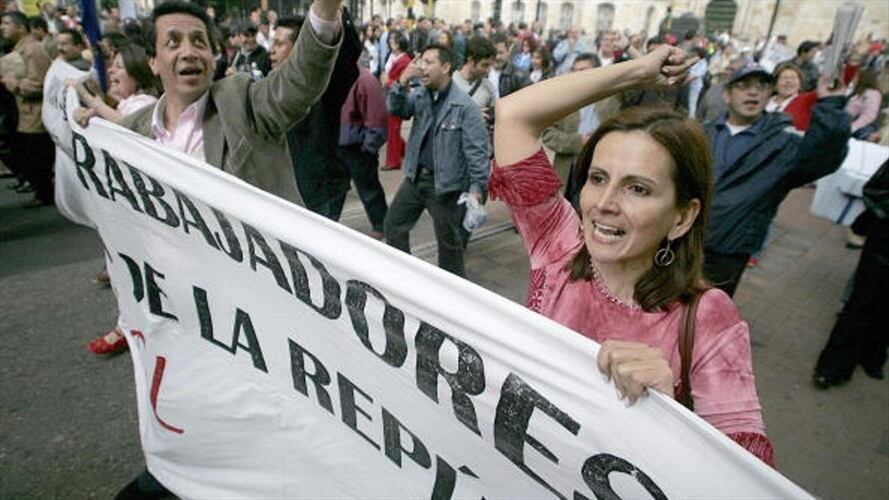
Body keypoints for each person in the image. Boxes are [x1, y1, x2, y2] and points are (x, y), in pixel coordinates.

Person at [91, 3, 346, 495]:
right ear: (154, 61)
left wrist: (326, 8)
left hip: (261, 323)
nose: (188, 51)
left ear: (214, 54)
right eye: (173, 42)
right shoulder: (131, 136)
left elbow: (301, 78)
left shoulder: (242, 102)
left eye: (199, 41)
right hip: (184, 326)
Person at [490, 44, 775, 466]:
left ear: (682, 217)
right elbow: (513, 114)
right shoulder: (559, 246)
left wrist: (669, 411)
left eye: (637, 188)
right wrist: (637, 72)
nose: (604, 204)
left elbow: (745, 475)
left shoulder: (709, 317)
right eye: (597, 178)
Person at [701, 64, 850, 296]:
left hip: (729, 249)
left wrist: (830, 105)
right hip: (682, 243)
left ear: (769, 95)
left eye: (761, 86)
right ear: (727, 95)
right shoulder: (702, 134)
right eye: (744, 86)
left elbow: (824, 156)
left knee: (707, 311)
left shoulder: (783, 144)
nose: (753, 92)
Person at [384, 44, 490, 277]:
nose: (423, 67)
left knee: (449, 245)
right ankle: (405, 278)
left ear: (445, 67)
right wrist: (401, 82)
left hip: (445, 188)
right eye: (421, 62)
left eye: (429, 62)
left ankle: (452, 289)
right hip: (415, 178)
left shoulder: (465, 107)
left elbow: (478, 154)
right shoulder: (421, 94)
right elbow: (397, 109)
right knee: (393, 226)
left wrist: (476, 191)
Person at [270, 13, 361, 221]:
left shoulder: (323, 86)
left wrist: (332, 11)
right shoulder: (272, 84)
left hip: (319, 191)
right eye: (272, 43)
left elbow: (348, 55)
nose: (271, 50)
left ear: (299, 47)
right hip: (286, 191)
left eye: (279, 44)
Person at [813, 160, 889, 388]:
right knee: (861, 302)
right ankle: (832, 367)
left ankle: (872, 355)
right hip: (883, 245)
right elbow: (874, 190)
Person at [1, 11, 54, 208]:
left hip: (35, 115)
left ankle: (45, 194)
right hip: (25, 113)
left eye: (7, 23)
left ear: (21, 27)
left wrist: (14, 83)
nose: (2, 27)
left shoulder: (32, 50)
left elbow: (39, 83)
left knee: (37, 157)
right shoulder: (21, 50)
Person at [337, 58, 390, 239]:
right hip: (338, 144)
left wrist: (369, 147)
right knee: (334, 189)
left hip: (358, 146)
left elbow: (377, 118)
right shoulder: (335, 79)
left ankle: (381, 224)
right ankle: (329, 221)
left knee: (368, 189)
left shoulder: (365, 80)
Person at [71, 44, 158, 126]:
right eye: (112, 65)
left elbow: (127, 125)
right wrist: (91, 114)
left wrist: (89, 99)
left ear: (137, 77)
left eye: (119, 66)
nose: (110, 70)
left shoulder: (146, 103)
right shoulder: (124, 104)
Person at [381, 30, 410, 170]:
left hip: (397, 99)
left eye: (392, 40)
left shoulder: (404, 61)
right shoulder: (392, 56)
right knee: (391, 130)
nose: (389, 42)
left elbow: (402, 84)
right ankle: (406, 151)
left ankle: (393, 161)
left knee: (393, 130)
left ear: (399, 44)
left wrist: (387, 81)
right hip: (389, 96)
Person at [451, 36, 497, 125]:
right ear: (471, 60)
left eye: (490, 65)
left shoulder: (488, 87)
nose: (488, 70)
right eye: (484, 65)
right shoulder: (449, 83)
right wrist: (471, 116)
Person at [766, 62, 818, 131]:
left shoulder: (806, 100)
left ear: (800, 84)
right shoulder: (765, 101)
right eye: (784, 78)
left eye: (793, 78)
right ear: (775, 84)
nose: (789, 81)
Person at [846, 68, 883, 140]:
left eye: (856, 76)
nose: (853, 78)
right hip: (847, 123)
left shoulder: (873, 93)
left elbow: (869, 115)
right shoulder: (856, 91)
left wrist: (853, 127)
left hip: (858, 128)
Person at [490, 33, 530, 99]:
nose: (497, 57)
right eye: (494, 53)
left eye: (500, 52)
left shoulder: (519, 76)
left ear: (508, 52)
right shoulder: (483, 74)